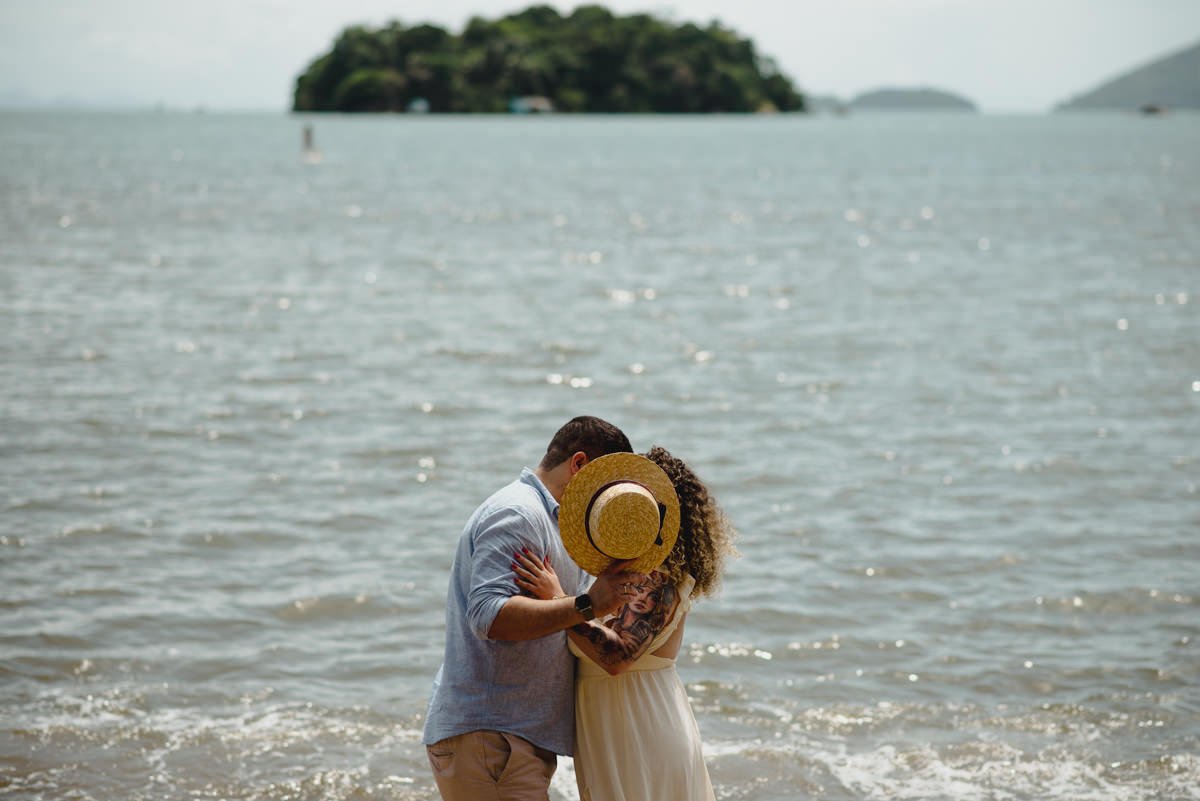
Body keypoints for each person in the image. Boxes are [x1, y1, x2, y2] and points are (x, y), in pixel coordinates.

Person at [421, 415, 642, 801]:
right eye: (607, 489)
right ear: (580, 465)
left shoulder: (554, 523)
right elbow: (489, 616)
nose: (607, 502)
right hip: (492, 737)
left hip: (506, 739)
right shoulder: (518, 514)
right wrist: (587, 603)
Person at [514, 445, 738, 801]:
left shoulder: (658, 579)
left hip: (641, 734)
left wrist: (559, 601)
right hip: (624, 730)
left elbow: (617, 658)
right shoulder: (626, 576)